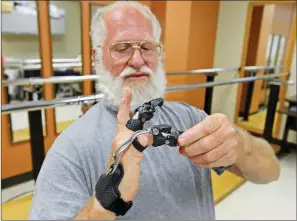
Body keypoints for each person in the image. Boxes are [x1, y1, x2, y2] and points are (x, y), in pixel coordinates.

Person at [28, 1, 280, 220]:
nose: (137, 61)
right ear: (97, 57)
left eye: (147, 47)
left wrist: (242, 145)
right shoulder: (72, 148)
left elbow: (270, 172)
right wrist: (107, 201)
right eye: (122, 48)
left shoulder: (191, 119)